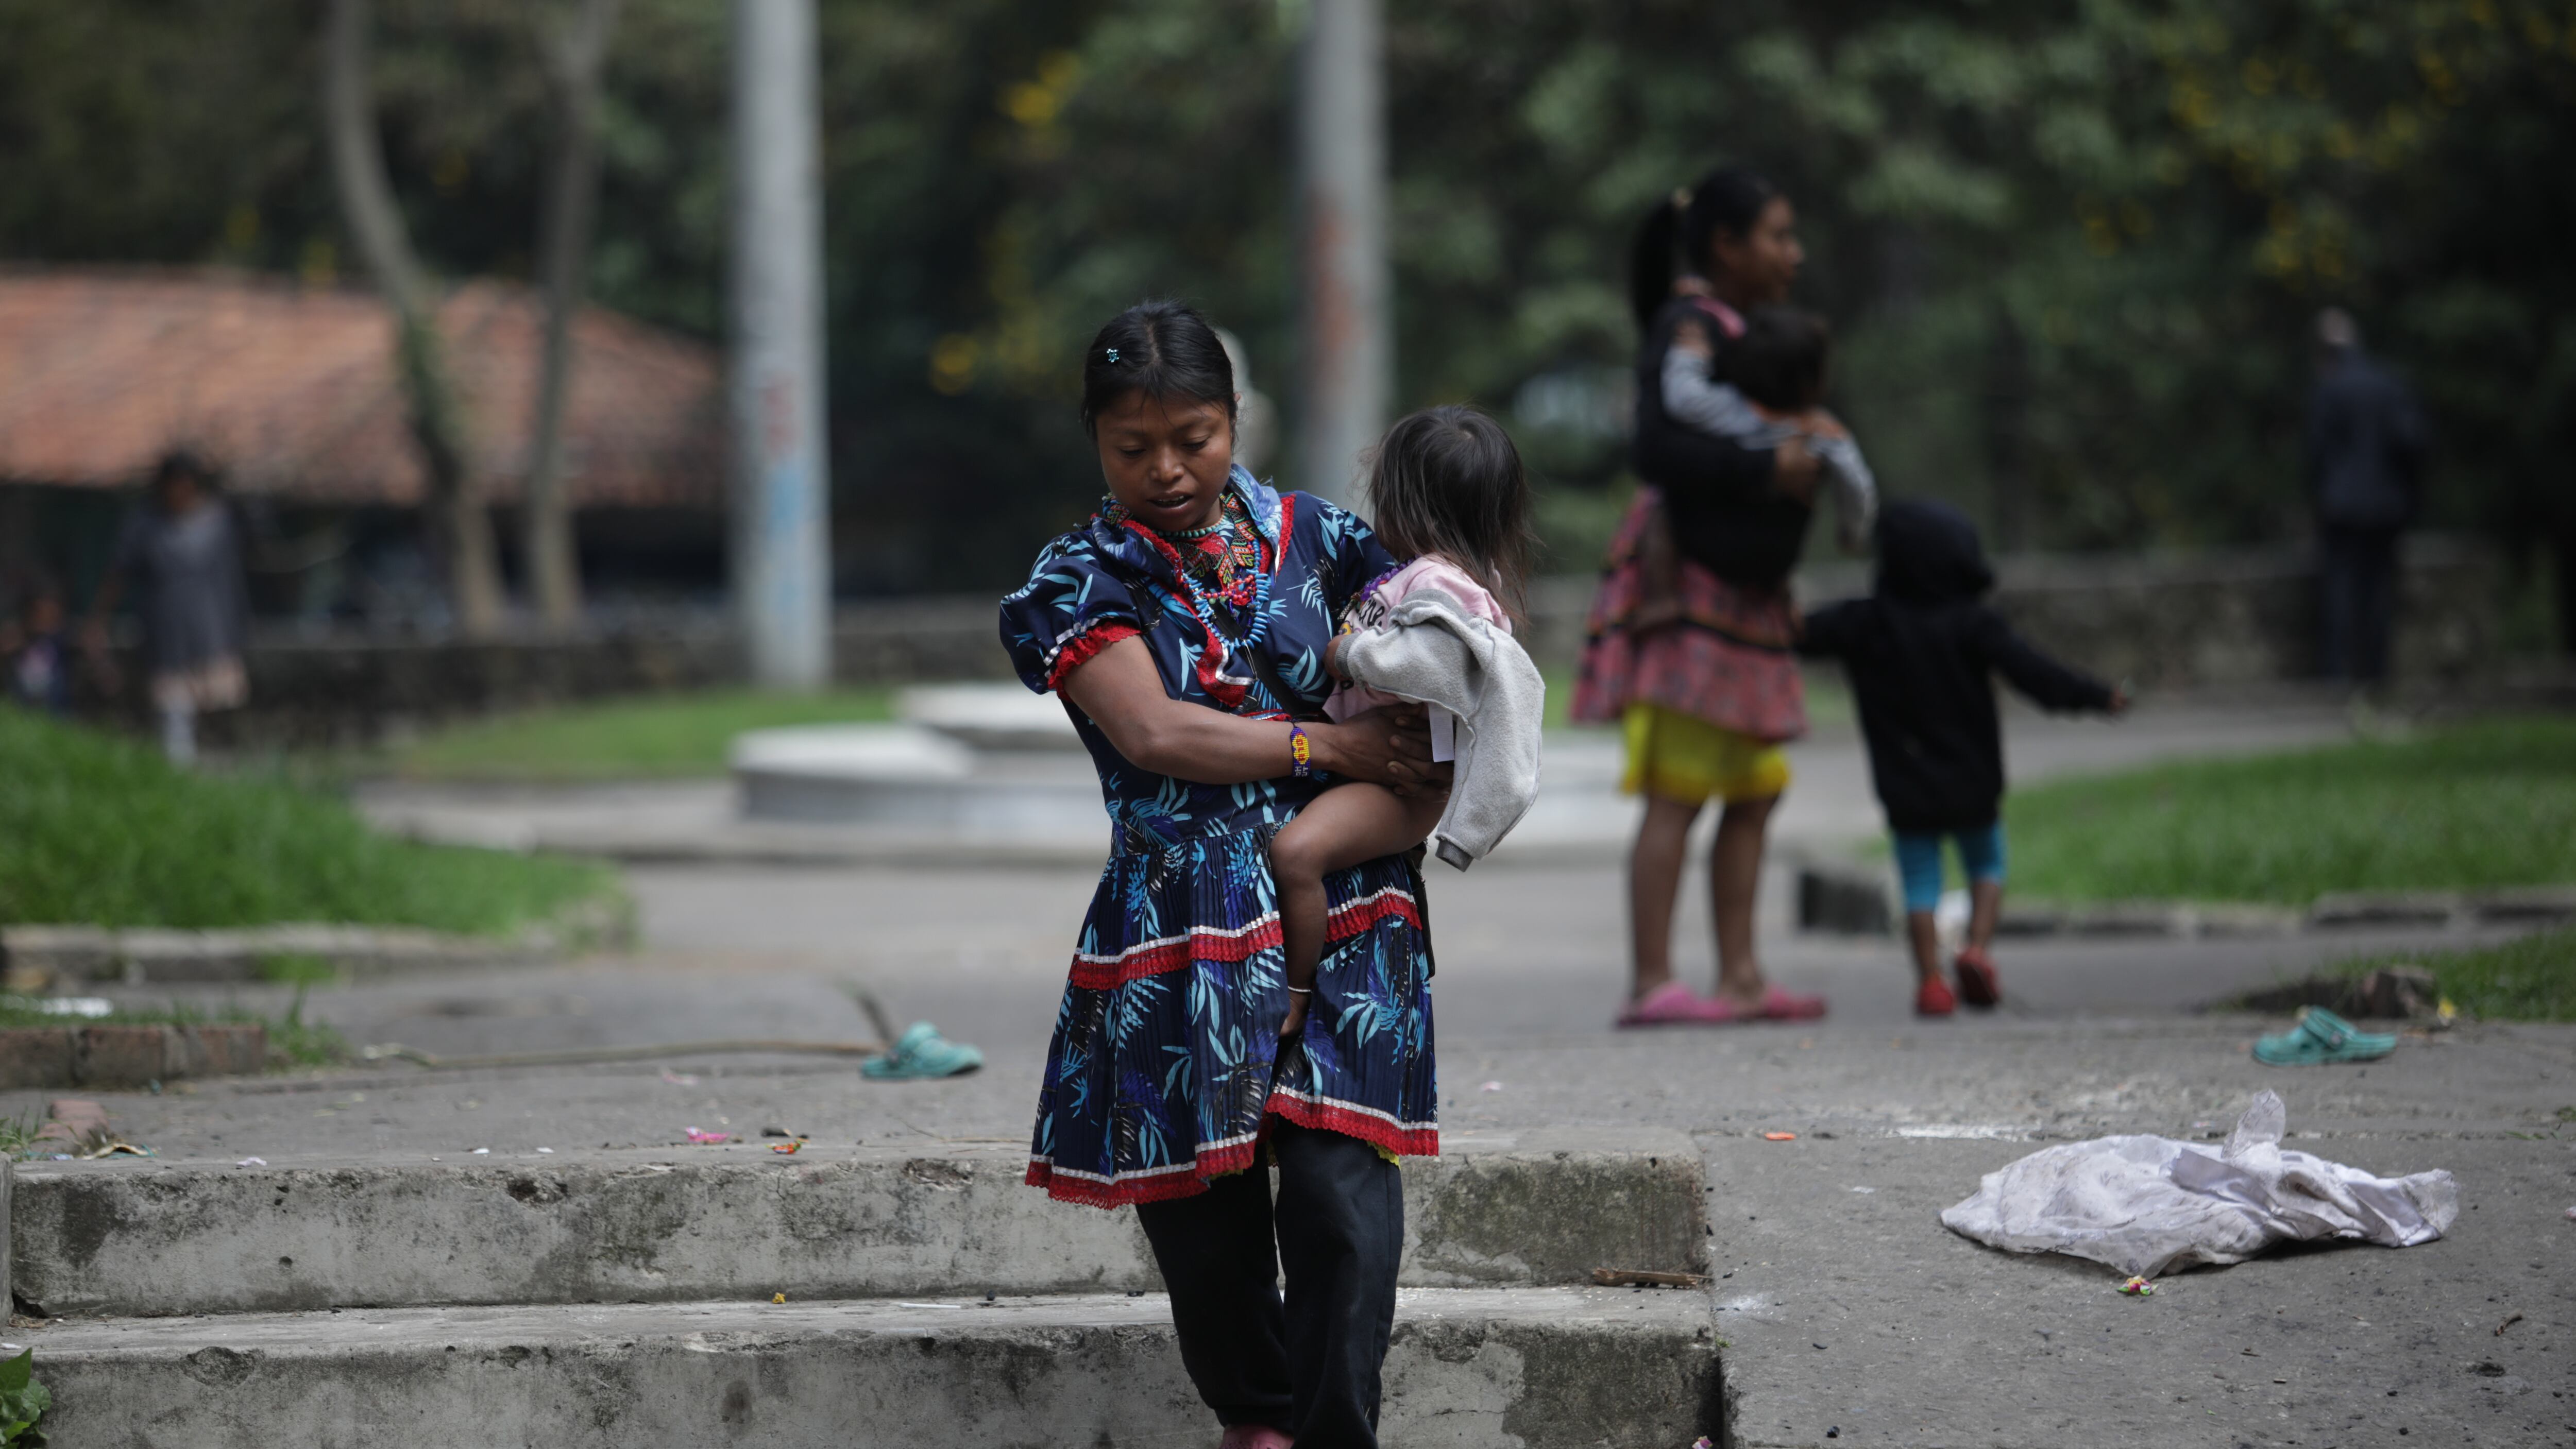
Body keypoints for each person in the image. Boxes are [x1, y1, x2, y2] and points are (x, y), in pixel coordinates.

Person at [998, 300, 1444, 1449]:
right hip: (1175, 913)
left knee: (1342, 1178)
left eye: (1192, 437)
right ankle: (1256, 1417)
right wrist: (1327, 745)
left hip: (1347, 891)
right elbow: (1154, 733)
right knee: (1204, 1201)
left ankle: (1335, 1429)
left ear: (1234, 419)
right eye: (1131, 445)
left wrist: (1416, 774)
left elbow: (1445, 662)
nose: (1166, 469)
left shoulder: (1329, 540)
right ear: (1093, 438)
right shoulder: (1073, 576)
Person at [1573, 164, 1831, 1026]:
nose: (1793, 254)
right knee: (1678, 788)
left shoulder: (1733, 329)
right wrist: (1766, 464)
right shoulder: (1690, 330)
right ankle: (1653, 981)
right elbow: (1659, 449)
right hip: (1687, 595)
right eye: (1778, 235)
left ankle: (1744, 976)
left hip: (1741, 599)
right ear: (1726, 245)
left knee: (1755, 786)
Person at [1272, 404, 1547, 1041]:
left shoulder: (1437, 582)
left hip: (1399, 783)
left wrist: (1348, 653)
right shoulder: (1452, 575)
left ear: (1406, 503)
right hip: (1391, 770)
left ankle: (1294, 993)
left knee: (1295, 855)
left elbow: (1432, 663)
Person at [1799, 499, 2127, 1015]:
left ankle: (1930, 981)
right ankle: (1975, 948)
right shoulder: (1974, 623)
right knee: (1987, 862)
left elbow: (1797, 631)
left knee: (1919, 883)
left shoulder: (1864, 621)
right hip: (1971, 781)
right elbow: (2034, 673)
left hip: (1904, 785)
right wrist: (2094, 695)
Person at [1666, 303, 1876, 555]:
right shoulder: (1822, 432)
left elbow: (1682, 398)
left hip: (1709, 545)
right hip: (1773, 552)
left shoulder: (1729, 409)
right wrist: (1853, 533)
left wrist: (1689, 354)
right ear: (1812, 383)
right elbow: (1857, 484)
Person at [85, 451, 250, 764]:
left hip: (213, 635)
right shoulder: (146, 525)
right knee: (174, 715)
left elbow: (234, 581)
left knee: (218, 714)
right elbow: (117, 574)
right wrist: (98, 621)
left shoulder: (219, 521)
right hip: (166, 637)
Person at [2306, 307, 2429, 689]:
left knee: (2340, 589)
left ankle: (2337, 676)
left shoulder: (2330, 388)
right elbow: (2414, 443)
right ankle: (2377, 674)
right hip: (2387, 507)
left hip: (2340, 506)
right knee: (2379, 591)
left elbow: (2314, 453)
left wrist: (2317, 495)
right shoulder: (2389, 384)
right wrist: (2406, 493)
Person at [4, 574, 75, 714]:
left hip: (54, 709)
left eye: (52, 615)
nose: (46, 620)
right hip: (21, 706)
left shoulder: (62, 641)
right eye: (42, 614)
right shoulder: (17, 636)